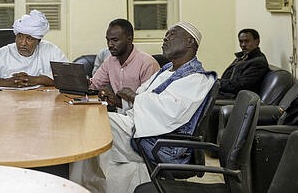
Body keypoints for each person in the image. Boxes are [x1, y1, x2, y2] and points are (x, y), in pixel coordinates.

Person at [70, 21, 216, 193]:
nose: (165, 39)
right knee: (88, 125)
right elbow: (143, 96)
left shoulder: (196, 78)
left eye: (172, 35)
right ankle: (84, 187)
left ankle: (81, 188)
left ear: (190, 42)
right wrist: (119, 102)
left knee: (92, 122)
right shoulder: (168, 69)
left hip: (158, 140)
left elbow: (170, 111)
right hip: (139, 125)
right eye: (165, 36)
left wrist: (133, 97)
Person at [0, 10, 68, 87]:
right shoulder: (4, 53)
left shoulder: (51, 50)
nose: (23, 43)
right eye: (20, 37)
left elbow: (70, 78)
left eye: (29, 38)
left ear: (38, 41)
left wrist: (39, 80)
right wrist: (3, 82)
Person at [89, 19, 160, 112]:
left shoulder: (147, 63)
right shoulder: (110, 61)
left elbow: (150, 103)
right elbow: (94, 85)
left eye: (115, 40)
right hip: (121, 116)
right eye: (108, 40)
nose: (110, 45)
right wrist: (82, 82)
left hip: (142, 117)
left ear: (129, 39)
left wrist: (119, 102)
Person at [218, 28, 269, 98]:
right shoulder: (242, 57)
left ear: (257, 42)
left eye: (247, 41)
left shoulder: (258, 62)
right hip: (225, 92)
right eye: (241, 41)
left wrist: (216, 83)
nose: (243, 45)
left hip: (235, 98)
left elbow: (239, 85)